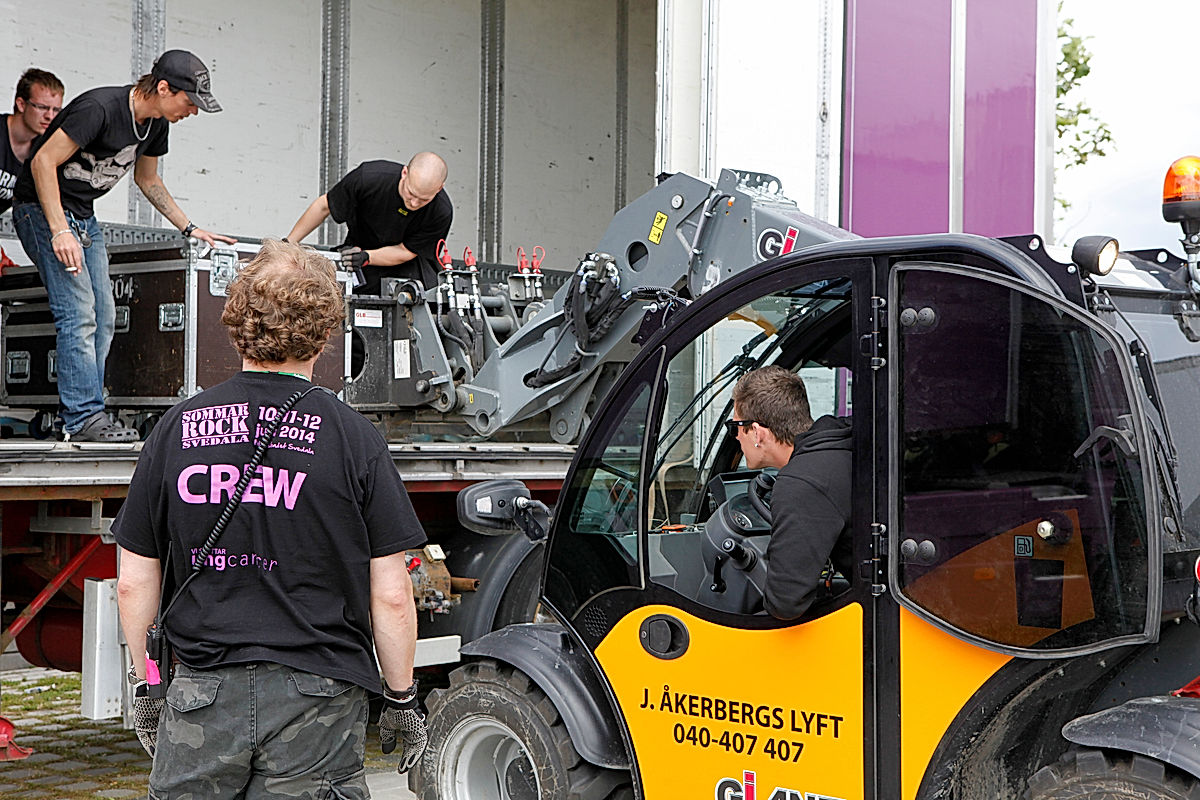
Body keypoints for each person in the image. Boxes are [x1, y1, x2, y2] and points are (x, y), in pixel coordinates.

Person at [113, 239, 428, 797]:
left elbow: (134, 581)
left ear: (235, 320)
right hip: (319, 693)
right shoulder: (355, 438)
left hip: (203, 689)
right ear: (327, 331)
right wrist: (402, 699)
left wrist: (147, 686)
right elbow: (393, 594)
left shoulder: (175, 429)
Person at [11, 50, 235, 442]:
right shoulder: (99, 108)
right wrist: (60, 231)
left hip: (83, 216)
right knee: (79, 313)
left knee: (105, 316)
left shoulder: (156, 125)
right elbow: (42, 163)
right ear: (164, 88)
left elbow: (147, 181)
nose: (193, 112)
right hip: (41, 211)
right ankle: (83, 417)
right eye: (190, 102)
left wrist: (190, 228)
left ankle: (79, 414)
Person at [729, 365, 852, 620]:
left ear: (757, 433)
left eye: (737, 428)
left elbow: (785, 604)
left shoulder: (800, 483)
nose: (736, 438)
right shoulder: (838, 445)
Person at [285, 152, 452, 294]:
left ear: (439, 188)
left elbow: (406, 251)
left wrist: (367, 257)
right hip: (357, 253)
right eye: (410, 193)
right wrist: (289, 243)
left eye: (423, 200)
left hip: (407, 267)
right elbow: (324, 206)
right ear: (404, 173)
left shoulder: (441, 211)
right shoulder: (369, 178)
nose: (414, 203)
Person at [1, 68, 64, 215]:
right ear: (21, 104)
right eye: (42, 107)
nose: (50, 116)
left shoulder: (44, 151)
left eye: (56, 110)